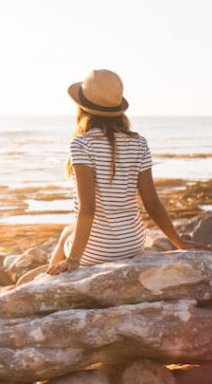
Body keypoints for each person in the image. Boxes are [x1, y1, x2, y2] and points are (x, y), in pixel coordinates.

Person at [47, 69, 188, 275]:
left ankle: (46, 282)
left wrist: (74, 260)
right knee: (69, 229)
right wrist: (181, 244)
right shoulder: (139, 142)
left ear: (82, 107)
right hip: (132, 244)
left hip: (96, 251)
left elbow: (88, 209)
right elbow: (152, 203)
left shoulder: (82, 143)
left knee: (65, 236)